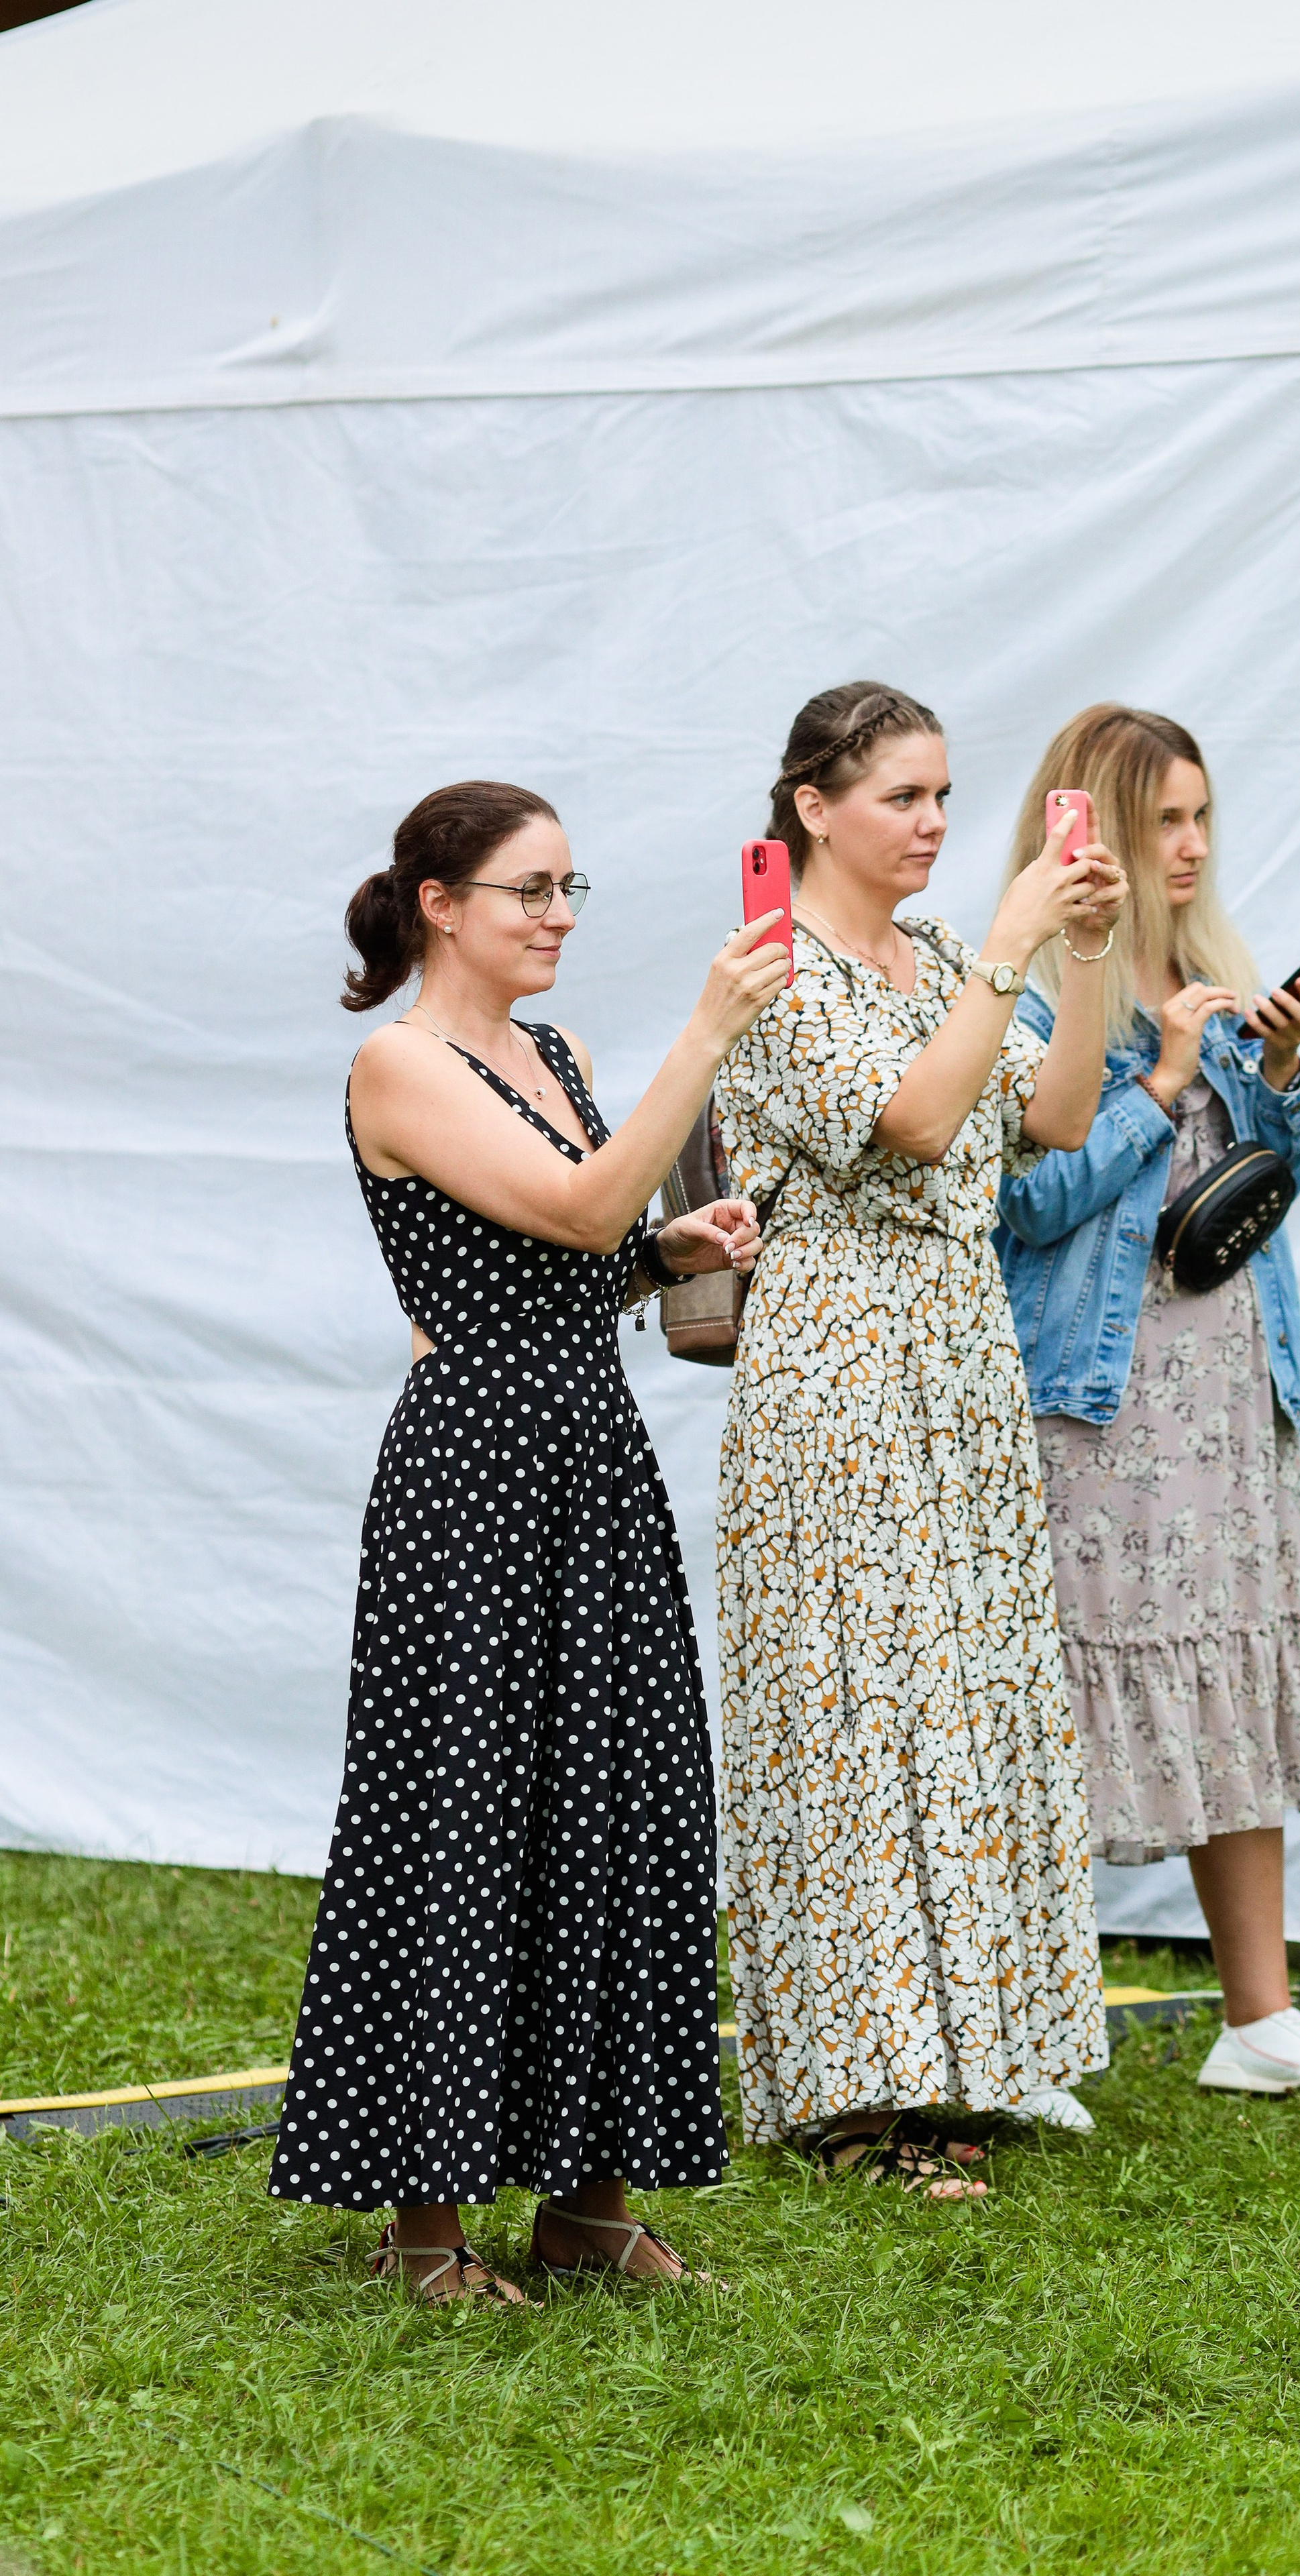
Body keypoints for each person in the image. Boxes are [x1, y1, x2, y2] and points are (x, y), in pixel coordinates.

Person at [270, 780, 790, 2300]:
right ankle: (422, 2226)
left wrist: (666, 1250)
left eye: (570, 886)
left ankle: (585, 2200)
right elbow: (567, 1209)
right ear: (439, 902)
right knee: (458, 1820)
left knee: (613, 1814)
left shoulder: (549, 1053)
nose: (557, 914)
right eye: (526, 890)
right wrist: (702, 1038)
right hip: (470, 1482)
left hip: (587, 1460)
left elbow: (577, 1246)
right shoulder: (397, 1062)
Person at [714, 682, 1128, 2194]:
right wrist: (1013, 946)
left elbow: (1059, 1117)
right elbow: (906, 1119)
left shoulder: (946, 950)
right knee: (855, 1708)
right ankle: (857, 2093)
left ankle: (966, 2058)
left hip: (957, 1352)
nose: (936, 825)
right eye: (902, 796)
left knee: (959, 1701)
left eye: (945, 795)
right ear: (813, 805)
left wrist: (1078, 958)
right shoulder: (773, 967)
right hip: (835, 1354)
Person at [995, 706, 1300, 2102]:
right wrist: (1159, 1076)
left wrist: (1272, 1070)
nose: (1190, 845)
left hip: (1229, 1382)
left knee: (1230, 1660)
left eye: (1200, 817)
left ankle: (1256, 2019)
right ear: (1087, 828)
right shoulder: (1038, 995)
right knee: (1066, 1693)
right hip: (1100, 1401)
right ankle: (1030, 2030)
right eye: (1161, 818)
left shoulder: (1214, 972)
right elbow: (1024, 1204)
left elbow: (1264, 1185)